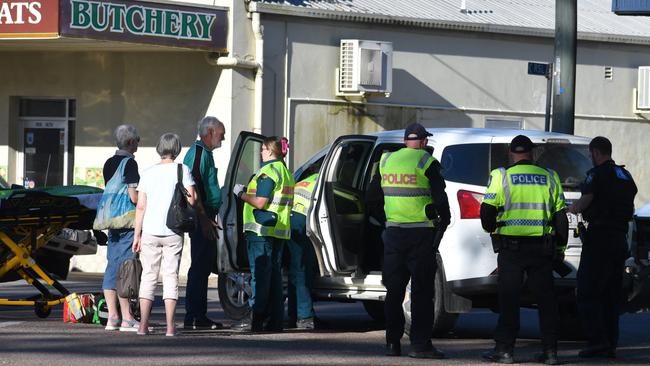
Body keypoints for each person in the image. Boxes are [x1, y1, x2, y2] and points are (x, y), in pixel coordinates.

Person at [480, 135, 568, 365]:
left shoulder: (501, 176)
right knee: (546, 302)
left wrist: (492, 229)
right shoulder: (550, 176)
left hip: (511, 249)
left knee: (509, 300)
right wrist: (560, 248)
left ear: (511, 153)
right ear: (532, 153)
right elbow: (561, 218)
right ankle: (550, 352)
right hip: (542, 249)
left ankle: (505, 351)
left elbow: (487, 213)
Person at [366, 123, 450, 359]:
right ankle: (420, 345)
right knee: (422, 292)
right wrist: (444, 221)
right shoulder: (426, 162)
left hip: (394, 234)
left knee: (394, 290)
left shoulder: (385, 161)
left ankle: (392, 344)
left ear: (405, 141)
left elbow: (371, 198)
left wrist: (387, 219)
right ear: (423, 142)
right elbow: (440, 198)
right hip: (421, 235)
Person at [568, 136, 637, 359]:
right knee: (611, 293)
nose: (590, 158)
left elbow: (586, 200)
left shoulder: (595, 175)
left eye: (591, 154)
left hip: (599, 238)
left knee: (588, 291)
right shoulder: (624, 174)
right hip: (619, 239)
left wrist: (573, 208)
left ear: (596, 153)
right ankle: (610, 343)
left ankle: (597, 341)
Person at [132, 133, 196, 336]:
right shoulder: (182, 170)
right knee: (170, 277)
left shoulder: (148, 173)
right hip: (173, 230)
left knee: (148, 277)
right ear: (177, 149)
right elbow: (192, 199)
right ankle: (170, 327)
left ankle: (143, 326)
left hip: (150, 231)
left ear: (159, 148)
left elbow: (140, 206)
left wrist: (137, 235)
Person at [233, 136, 295, 332]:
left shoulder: (268, 172)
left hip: (261, 231)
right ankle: (275, 322)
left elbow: (260, 202)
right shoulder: (286, 172)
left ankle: (257, 319)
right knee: (275, 278)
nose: (260, 153)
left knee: (260, 276)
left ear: (270, 150)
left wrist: (241, 193)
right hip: (278, 231)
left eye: (262, 149)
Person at [182, 116, 225, 330]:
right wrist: (204, 219)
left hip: (207, 216)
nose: (223, 138)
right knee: (199, 266)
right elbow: (193, 189)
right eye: (221, 134)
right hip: (201, 217)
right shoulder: (198, 154)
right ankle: (195, 316)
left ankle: (199, 315)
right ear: (209, 132)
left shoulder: (205, 153)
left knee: (204, 266)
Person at [101, 124, 141, 332]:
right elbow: (133, 196)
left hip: (111, 222)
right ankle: (127, 318)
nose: (138, 144)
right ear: (130, 142)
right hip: (126, 222)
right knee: (126, 268)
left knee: (112, 266)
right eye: (138, 140)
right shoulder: (130, 164)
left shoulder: (108, 163)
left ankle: (112, 317)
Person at [287, 172, 319, 329]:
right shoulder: (327, 178)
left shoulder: (308, 179)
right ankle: (305, 316)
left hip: (291, 218)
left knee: (296, 268)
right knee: (303, 270)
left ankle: (295, 315)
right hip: (302, 220)